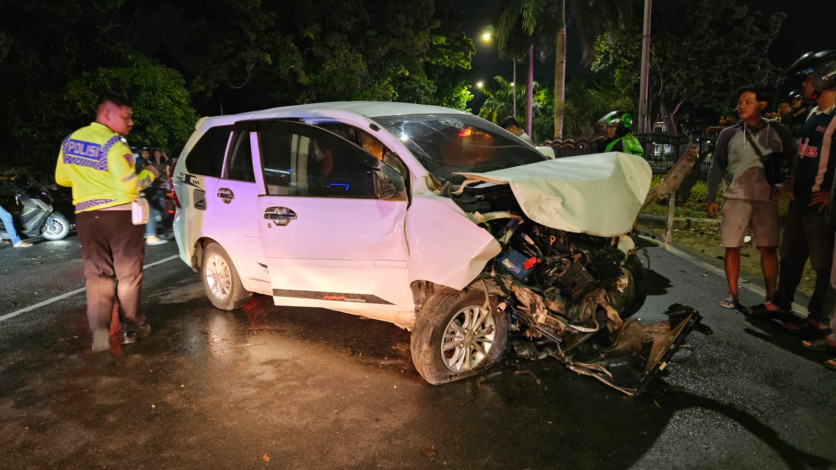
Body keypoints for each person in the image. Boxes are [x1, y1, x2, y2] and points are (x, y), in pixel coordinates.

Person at [55, 90, 158, 352]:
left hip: (87, 217)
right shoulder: (115, 145)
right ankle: (132, 329)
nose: (130, 122)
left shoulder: (70, 142)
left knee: (97, 276)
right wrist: (150, 174)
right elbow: (129, 187)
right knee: (128, 274)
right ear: (107, 114)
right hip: (121, 216)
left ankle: (100, 334)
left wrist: (88, 181)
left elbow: (62, 179)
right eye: (126, 116)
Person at [746, 51, 836, 336]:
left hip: (820, 205)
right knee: (792, 256)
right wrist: (790, 184)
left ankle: (818, 319)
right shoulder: (812, 114)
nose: (807, 82)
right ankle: (781, 303)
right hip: (800, 199)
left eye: (810, 77)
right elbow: (804, 156)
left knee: (823, 265)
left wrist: (830, 196)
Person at [706, 85, 796, 310]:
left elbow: (796, 159)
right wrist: (711, 197)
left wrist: (786, 185)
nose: (741, 106)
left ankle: (770, 297)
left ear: (762, 105)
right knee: (732, 247)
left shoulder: (780, 132)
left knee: (768, 247)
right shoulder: (729, 134)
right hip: (735, 198)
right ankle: (733, 294)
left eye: (747, 101)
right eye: (739, 102)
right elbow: (716, 166)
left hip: (766, 199)